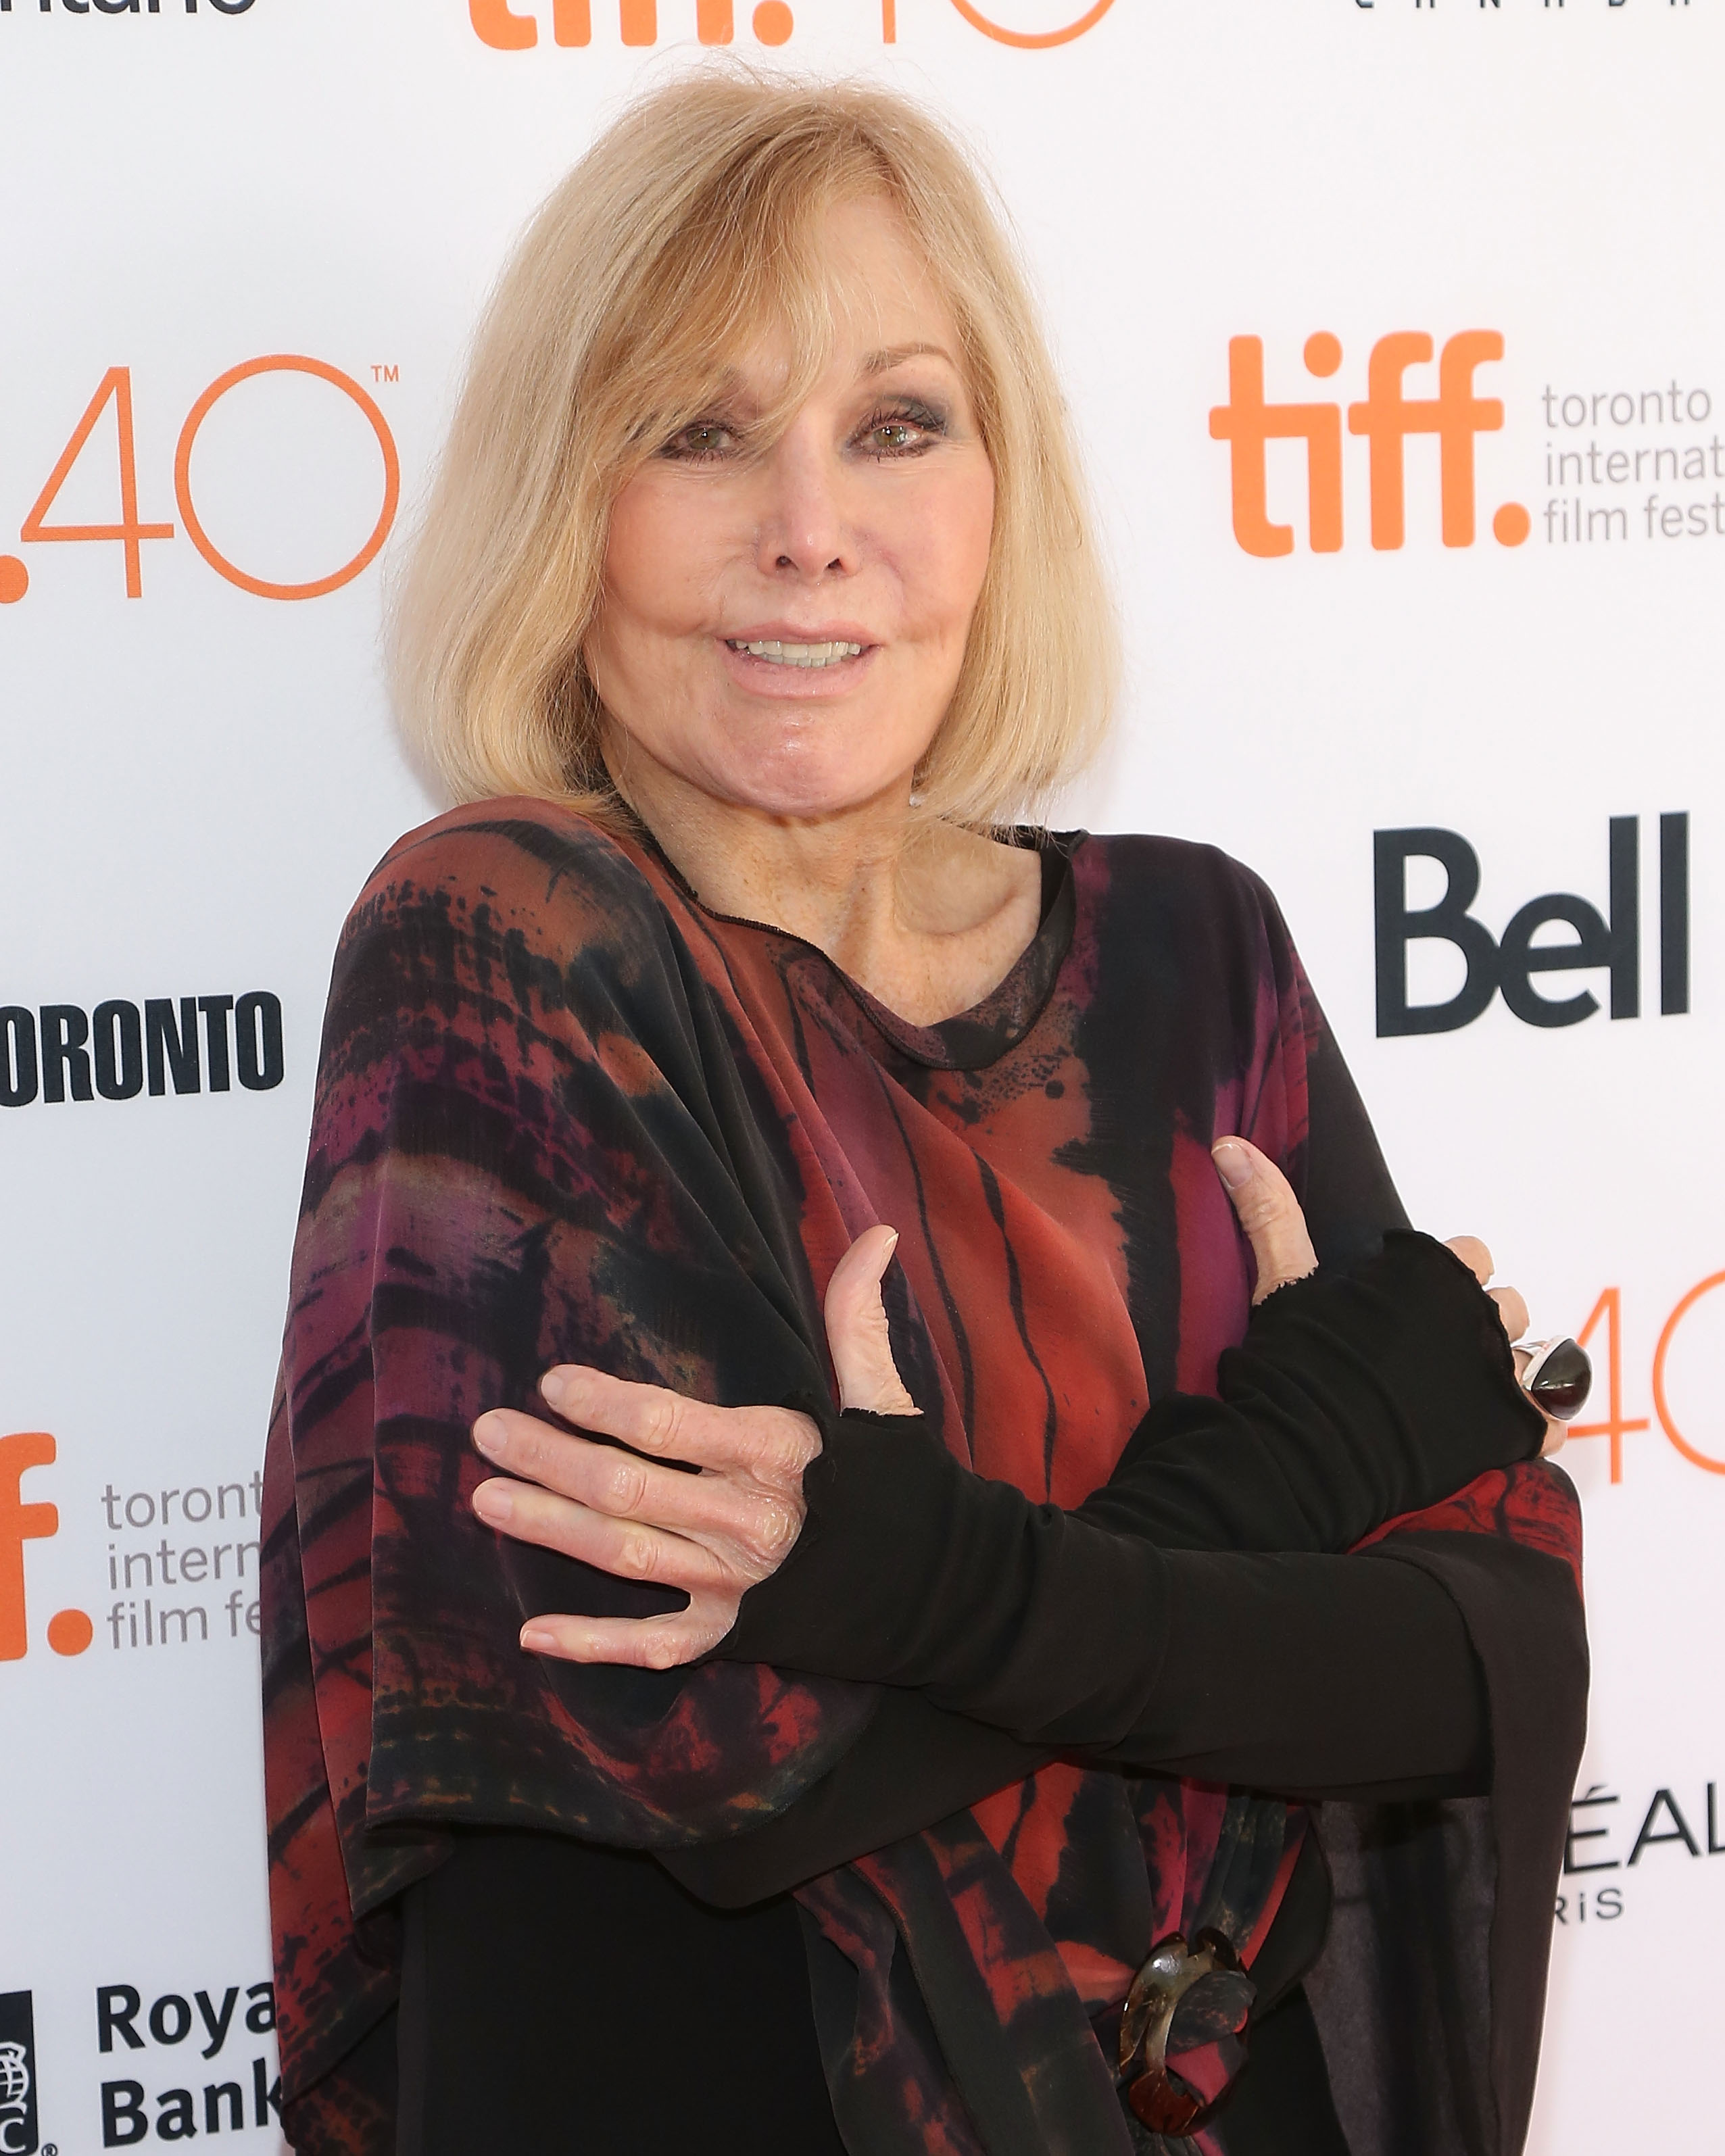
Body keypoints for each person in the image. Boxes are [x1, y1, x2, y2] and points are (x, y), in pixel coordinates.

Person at [260, 71, 1586, 2156]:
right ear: (564, 506)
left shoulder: (1193, 950)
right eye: (698, 433)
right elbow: (703, 1748)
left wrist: (910, 1579)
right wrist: (1309, 1457)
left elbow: (1472, 1664)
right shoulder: (515, 938)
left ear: (999, 487)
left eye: (897, 423)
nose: (813, 527)